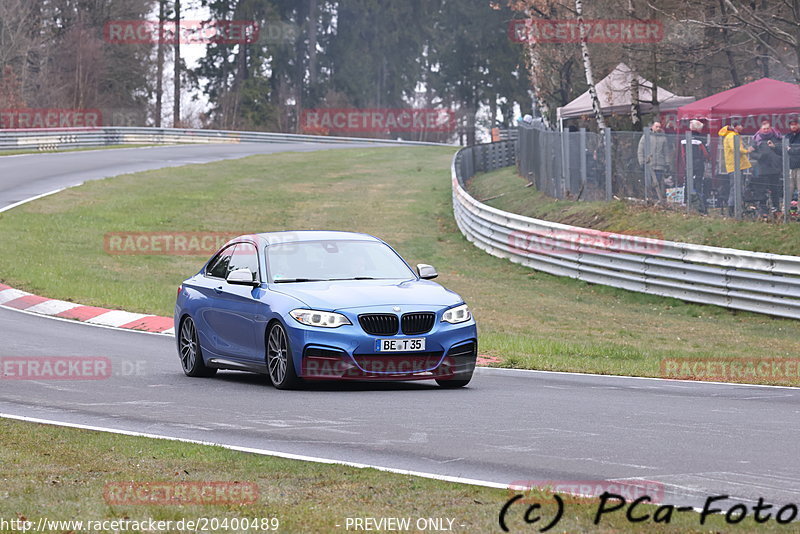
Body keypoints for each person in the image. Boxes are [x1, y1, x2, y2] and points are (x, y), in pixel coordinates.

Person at [718, 122, 753, 216]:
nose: (743, 127)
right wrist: (747, 151)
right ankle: (732, 209)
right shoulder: (732, 136)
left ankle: (735, 208)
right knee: (736, 188)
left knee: (737, 187)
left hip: (736, 165)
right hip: (735, 165)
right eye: (741, 125)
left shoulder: (732, 135)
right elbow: (736, 148)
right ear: (736, 126)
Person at [749, 124, 783, 215]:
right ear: (760, 129)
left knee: (775, 189)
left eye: (768, 128)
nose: (766, 130)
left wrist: (774, 147)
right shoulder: (756, 139)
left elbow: (782, 150)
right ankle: (763, 209)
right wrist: (760, 156)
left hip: (775, 168)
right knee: (761, 190)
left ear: (771, 129)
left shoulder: (777, 137)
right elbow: (751, 153)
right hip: (762, 169)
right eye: (764, 129)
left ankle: (776, 208)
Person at [680, 119, 711, 213]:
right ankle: (699, 203)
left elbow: (683, 154)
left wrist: (685, 163)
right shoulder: (701, 139)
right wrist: (707, 159)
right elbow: (705, 153)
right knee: (698, 183)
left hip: (688, 163)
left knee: (687, 182)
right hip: (699, 163)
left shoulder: (684, 138)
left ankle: (686, 201)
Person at [637, 122, 673, 199]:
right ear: (652, 127)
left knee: (658, 183)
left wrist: (667, 163)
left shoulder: (663, 138)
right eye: (656, 126)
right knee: (648, 183)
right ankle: (649, 198)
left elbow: (666, 152)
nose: (658, 128)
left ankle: (656, 199)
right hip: (649, 164)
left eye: (659, 127)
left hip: (660, 165)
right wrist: (641, 162)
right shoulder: (646, 137)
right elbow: (640, 150)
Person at [786, 119, 800, 212]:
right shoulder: (788, 136)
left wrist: (790, 150)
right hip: (790, 166)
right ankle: (786, 211)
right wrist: (774, 147)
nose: (793, 126)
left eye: (795, 124)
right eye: (791, 125)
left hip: (799, 167)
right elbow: (783, 150)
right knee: (788, 190)